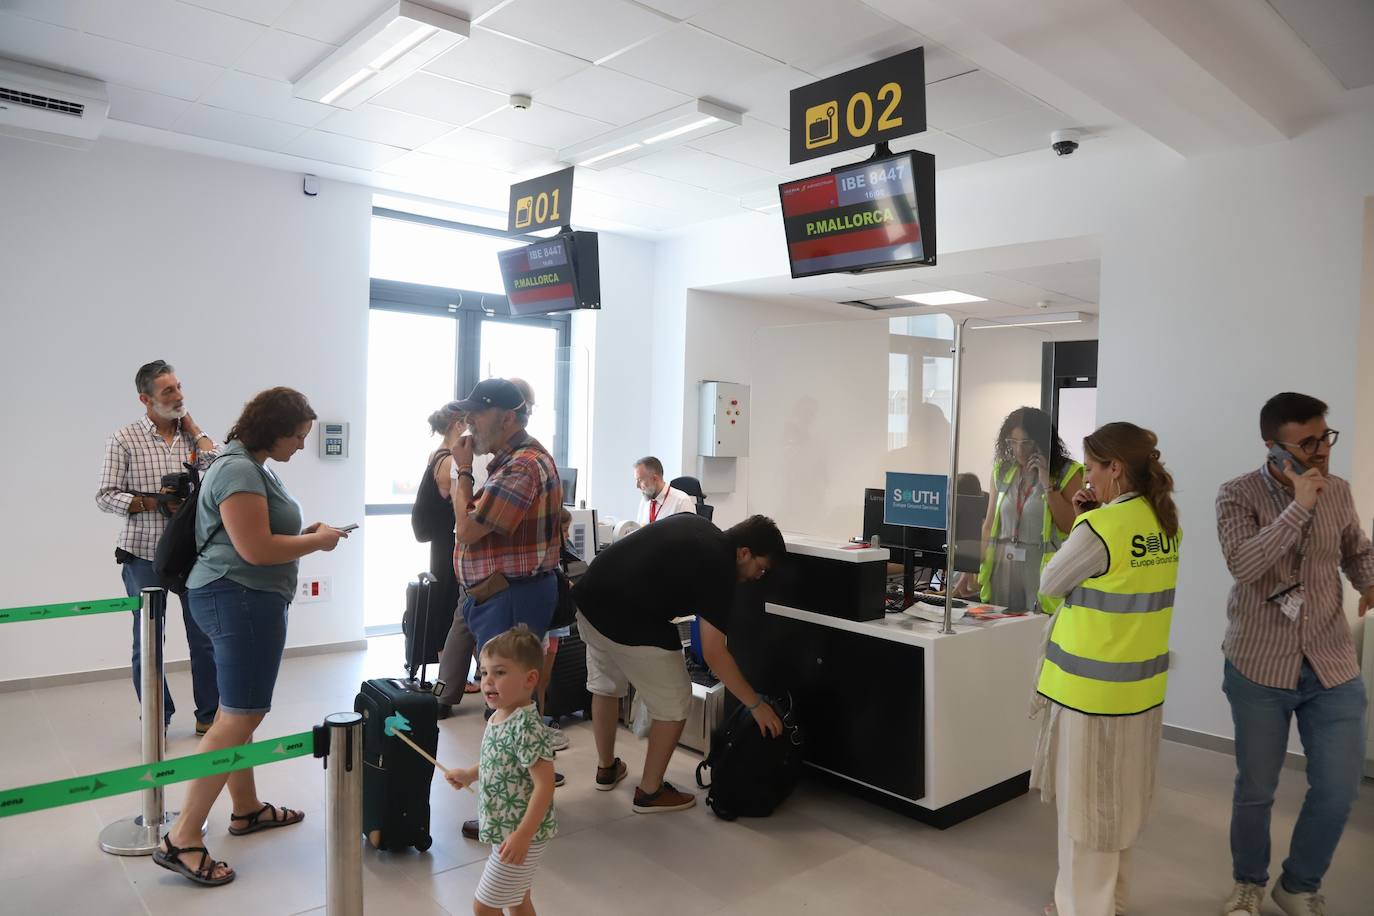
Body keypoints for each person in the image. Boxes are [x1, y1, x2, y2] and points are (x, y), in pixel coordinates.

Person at [152, 387, 349, 886]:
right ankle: (182, 837)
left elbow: (257, 537)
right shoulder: (239, 469)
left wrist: (307, 534)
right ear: (273, 430)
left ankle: (246, 808)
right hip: (238, 597)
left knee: (234, 711)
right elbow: (256, 550)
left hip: (237, 596)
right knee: (242, 715)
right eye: (297, 436)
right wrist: (317, 542)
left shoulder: (253, 466)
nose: (301, 445)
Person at [1216, 393, 1371, 916]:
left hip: (1331, 661)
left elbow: (1355, 550)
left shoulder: (1339, 491)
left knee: (1339, 787)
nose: (1321, 450)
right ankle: (1248, 884)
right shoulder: (1237, 494)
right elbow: (1245, 565)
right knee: (1257, 789)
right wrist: (1298, 506)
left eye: (1325, 437)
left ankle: (1299, 884)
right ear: (1273, 447)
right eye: (1307, 443)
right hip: (1260, 665)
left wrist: (1369, 581)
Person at [1031, 422, 1181, 916]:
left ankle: (1081, 909)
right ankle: (1108, 902)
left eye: (1093, 467)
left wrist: (1083, 524)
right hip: (1140, 692)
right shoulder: (1163, 522)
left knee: (1086, 814)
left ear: (1116, 468)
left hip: (1091, 695)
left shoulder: (1101, 528)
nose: (1087, 477)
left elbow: (1050, 583)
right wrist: (1089, 519)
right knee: (1119, 809)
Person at [572, 513, 786, 813]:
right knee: (676, 702)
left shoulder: (697, 525)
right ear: (744, 552)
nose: (757, 577)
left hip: (589, 598)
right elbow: (714, 652)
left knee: (606, 685)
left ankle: (606, 769)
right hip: (626, 617)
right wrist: (755, 704)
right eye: (760, 568)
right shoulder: (721, 567)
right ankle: (650, 792)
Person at [450, 377, 563, 839]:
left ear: (509, 417)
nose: (470, 422)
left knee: (508, 703)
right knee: (508, 705)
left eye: (477, 413)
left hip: (511, 595)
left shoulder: (524, 466)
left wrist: (462, 471)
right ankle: (510, 800)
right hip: (501, 594)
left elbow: (468, 529)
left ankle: (512, 810)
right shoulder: (510, 461)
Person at [97, 359, 220, 736]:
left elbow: (218, 465)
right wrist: (152, 502)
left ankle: (209, 716)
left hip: (192, 555)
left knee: (205, 638)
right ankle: (157, 717)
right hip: (143, 556)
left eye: (179, 387)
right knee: (148, 644)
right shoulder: (124, 439)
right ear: (145, 399)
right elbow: (105, 496)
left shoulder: (192, 437)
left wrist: (194, 427)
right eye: (168, 391)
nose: (179, 395)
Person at [445, 626, 557, 916]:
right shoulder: (500, 715)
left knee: (484, 906)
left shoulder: (527, 727)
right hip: (507, 828)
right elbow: (498, 761)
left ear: (530, 679)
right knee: (517, 899)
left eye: (500, 672)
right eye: (484, 673)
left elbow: (545, 785)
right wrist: (469, 774)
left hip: (522, 833)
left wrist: (523, 835)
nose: (488, 681)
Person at [966, 406, 1084, 613]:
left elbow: (1070, 526)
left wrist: (1047, 483)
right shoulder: (1003, 470)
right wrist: (970, 569)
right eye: (1013, 442)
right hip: (1003, 564)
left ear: (1041, 441)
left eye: (1026, 443)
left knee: (1035, 623)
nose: (1019, 450)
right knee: (1001, 622)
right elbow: (989, 524)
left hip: (1040, 564)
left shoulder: (1066, 472)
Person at [415, 400, 480, 713]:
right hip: (451, 541)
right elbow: (461, 505)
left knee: (448, 601)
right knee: (450, 605)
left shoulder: (436, 454)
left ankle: (461, 673)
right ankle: (452, 676)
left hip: (441, 541)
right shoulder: (450, 462)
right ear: (458, 425)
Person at [633, 456, 696, 525]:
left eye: (640, 480)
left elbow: (689, 531)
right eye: (636, 480)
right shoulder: (645, 501)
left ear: (655, 479)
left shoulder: (682, 502)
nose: (637, 486)